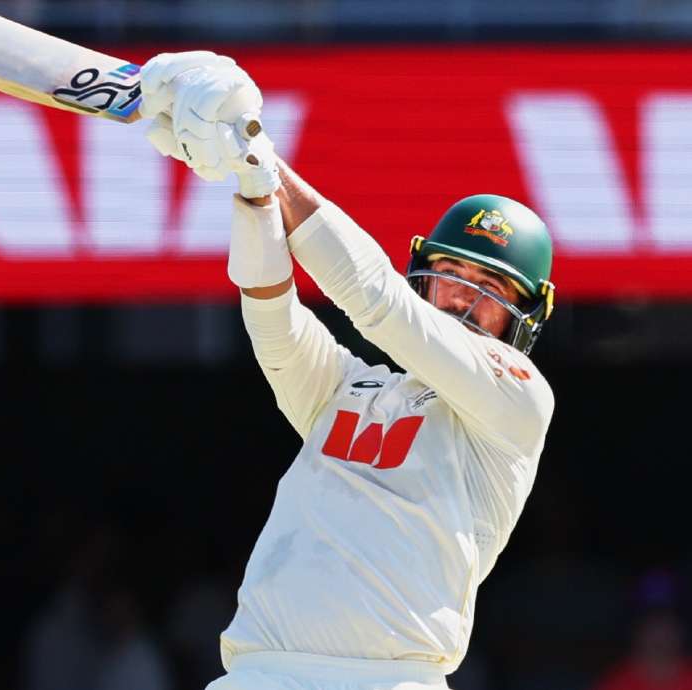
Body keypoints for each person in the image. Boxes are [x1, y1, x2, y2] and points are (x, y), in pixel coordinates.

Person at [136, 52, 558, 690]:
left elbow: (377, 302)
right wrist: (252, 191)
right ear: (428, 278)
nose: (466, 302)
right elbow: (273, 325)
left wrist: (264, 158)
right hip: (257, 674)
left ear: (523, 318)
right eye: (453, 276)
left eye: (492, 288)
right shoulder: (346, 389)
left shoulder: (518, 403)